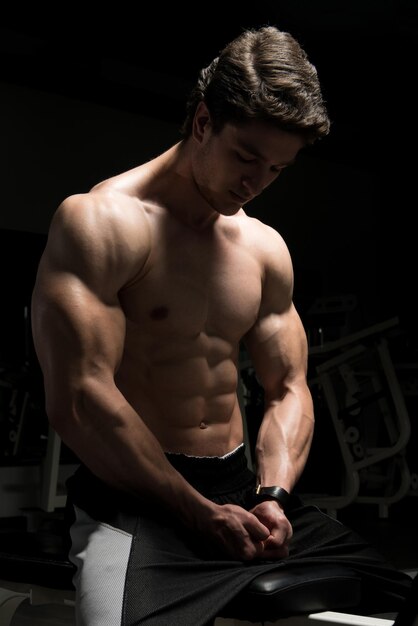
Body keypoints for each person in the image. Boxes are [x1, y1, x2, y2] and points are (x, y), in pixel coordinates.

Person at [31, 25, 412, 626]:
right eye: (246, 157)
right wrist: (197, 512)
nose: (255, 183)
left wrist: (274, 496)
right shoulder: (102, 223)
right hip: (138, 503)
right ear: (204, 121)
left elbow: (289, 388)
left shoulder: (263, 249)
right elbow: (79, 399)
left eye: (277, 170)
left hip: (242, 494)